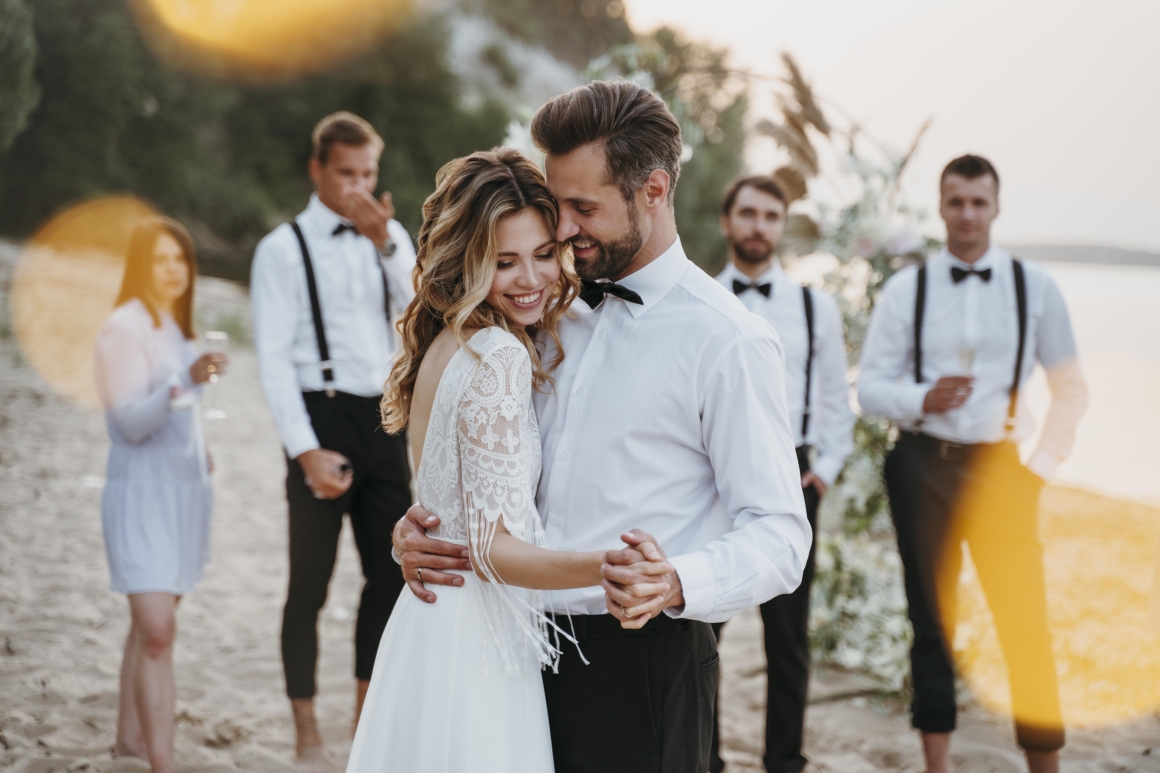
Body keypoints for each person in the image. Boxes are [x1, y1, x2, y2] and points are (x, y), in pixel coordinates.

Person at [393, 81, 812, 773]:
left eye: (584, 208)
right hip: (515, 652)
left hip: (641, 662)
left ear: (653, 190)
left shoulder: (729, 340)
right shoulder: (542, 313)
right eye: (558, 206)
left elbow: (780, 533)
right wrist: (424, 526)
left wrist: (675, 579)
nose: (561, 230)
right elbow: (481, 464)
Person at [347, 146, 675, 773]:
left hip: (429, 622)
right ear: (469, 263)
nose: (531, 279)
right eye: (505, 262)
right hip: (479, 631)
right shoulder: (498, 354)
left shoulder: (447, 342)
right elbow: (491, 548)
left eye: (544, 254)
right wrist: (611, 565)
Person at [857, 154, 1088, 773]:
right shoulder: (908, 290)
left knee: (1025, 621)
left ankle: (1046, 766)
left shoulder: (1033, 287)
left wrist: (1038, 469)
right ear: (940, 207)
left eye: (978, 202)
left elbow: (1071, 389)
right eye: (956, 202)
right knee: (931, 622)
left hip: (1001, 471)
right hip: (921, 464)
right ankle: (938, 766)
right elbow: (870, 389)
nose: (967, 214)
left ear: (996, 207)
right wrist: (919, 399)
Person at [249, 111, 417, 768]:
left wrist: (386, 243)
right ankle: (305, 728)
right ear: (318, 170)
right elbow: (271, 359)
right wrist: (303, 449)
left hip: (384, 421)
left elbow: (423, 308)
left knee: (390, 579)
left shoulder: (391, 236)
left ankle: (365, 723)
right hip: (318, 419)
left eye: (369, 174)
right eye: (346, 173)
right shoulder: (281, 248)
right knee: (309, 585)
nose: (358, 187)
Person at [711, 176, 855, 773]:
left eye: (771, 215)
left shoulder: (813, 307)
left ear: (782, 225)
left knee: (788, 637)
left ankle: (784, 761)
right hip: (713, 474)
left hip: (791, 475)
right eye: (748, 213)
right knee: (704, 628)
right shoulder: (703, 296)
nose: (758, 225)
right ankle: (706, 758)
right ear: (728, 221)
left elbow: (834, 400)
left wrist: (820, 473)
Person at [95, 217, 229, 773]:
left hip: (183, 495)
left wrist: (201, 446)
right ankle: (160, 761)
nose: (173, 271)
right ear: (139, 267)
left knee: (149, 625)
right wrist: (186, 382)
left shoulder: (176, 326)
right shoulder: (123, 328)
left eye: (180, 261)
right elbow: (129, 423)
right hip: (143, 495)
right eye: (160, 261)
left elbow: (180, 415)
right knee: (157, 631)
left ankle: (128, 739)